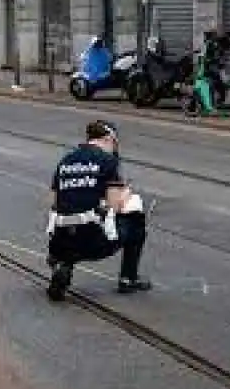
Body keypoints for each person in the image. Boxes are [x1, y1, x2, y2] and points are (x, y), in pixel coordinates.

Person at [45, 120, 151, 301]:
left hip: (60, 240)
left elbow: (53, 201)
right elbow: (115, 205)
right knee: (136, 217)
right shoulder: (108, 161)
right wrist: (126, 194)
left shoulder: (66, 160)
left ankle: (63, 263)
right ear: (109, 139)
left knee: (71, 219)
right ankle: (128, 278)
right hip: (93, 241)